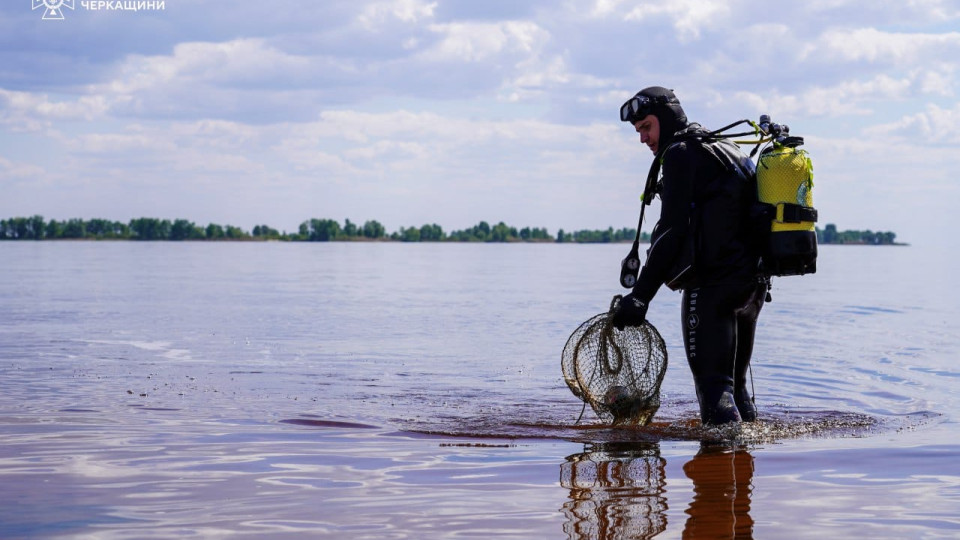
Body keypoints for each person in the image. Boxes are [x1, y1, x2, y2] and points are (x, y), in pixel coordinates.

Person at [611, 86, 767, 426]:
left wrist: (639, 299)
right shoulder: (722, 147)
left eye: (647, 127)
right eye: (638, 131)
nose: (643, 139)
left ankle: (718, 468)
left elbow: (671, 232)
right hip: (752, 287)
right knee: (735, 388)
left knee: (714, 391)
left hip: (713, 288)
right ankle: (745, 463)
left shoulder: (681, 154)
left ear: (666, 120)